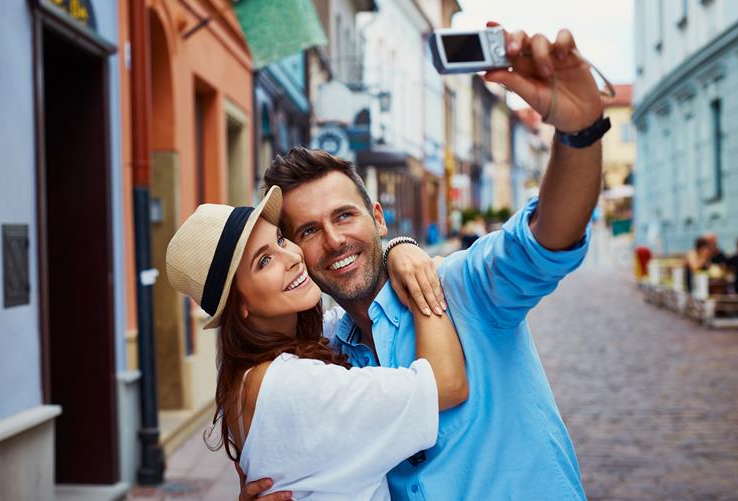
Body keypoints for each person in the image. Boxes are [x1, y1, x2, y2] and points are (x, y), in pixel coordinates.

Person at [242, 22, 606, 500]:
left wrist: (578, 134)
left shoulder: (464, 289)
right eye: (308, 230)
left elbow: (545, 241)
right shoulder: (326, 357)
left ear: (378, 218)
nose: (333, 240)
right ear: (294, 249)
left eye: (345, 216)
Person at [165, 185, 469, 500]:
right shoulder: (291, 386)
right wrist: (421, 273)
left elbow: (346, 319)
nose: (292, 258)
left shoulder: (249, 375)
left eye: (281, 240)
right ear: (239, 305)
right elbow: (445, 385)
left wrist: (394, 248)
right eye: (264, 261)